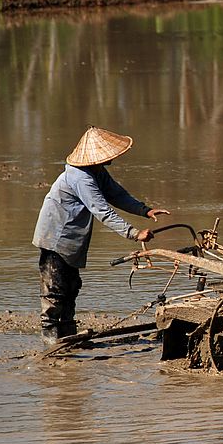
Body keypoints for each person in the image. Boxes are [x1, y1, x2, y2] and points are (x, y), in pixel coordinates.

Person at [32, 126, 170, 344]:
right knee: (55, 287)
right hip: (56, 235)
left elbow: (117, 195)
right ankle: (49, 337)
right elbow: (102, 211)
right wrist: (134, 233)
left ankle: (68, 335)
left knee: (71, 286)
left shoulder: (96, 172)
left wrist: (145, 210)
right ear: (96, 157)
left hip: (72, 237)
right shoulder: (81, 178)